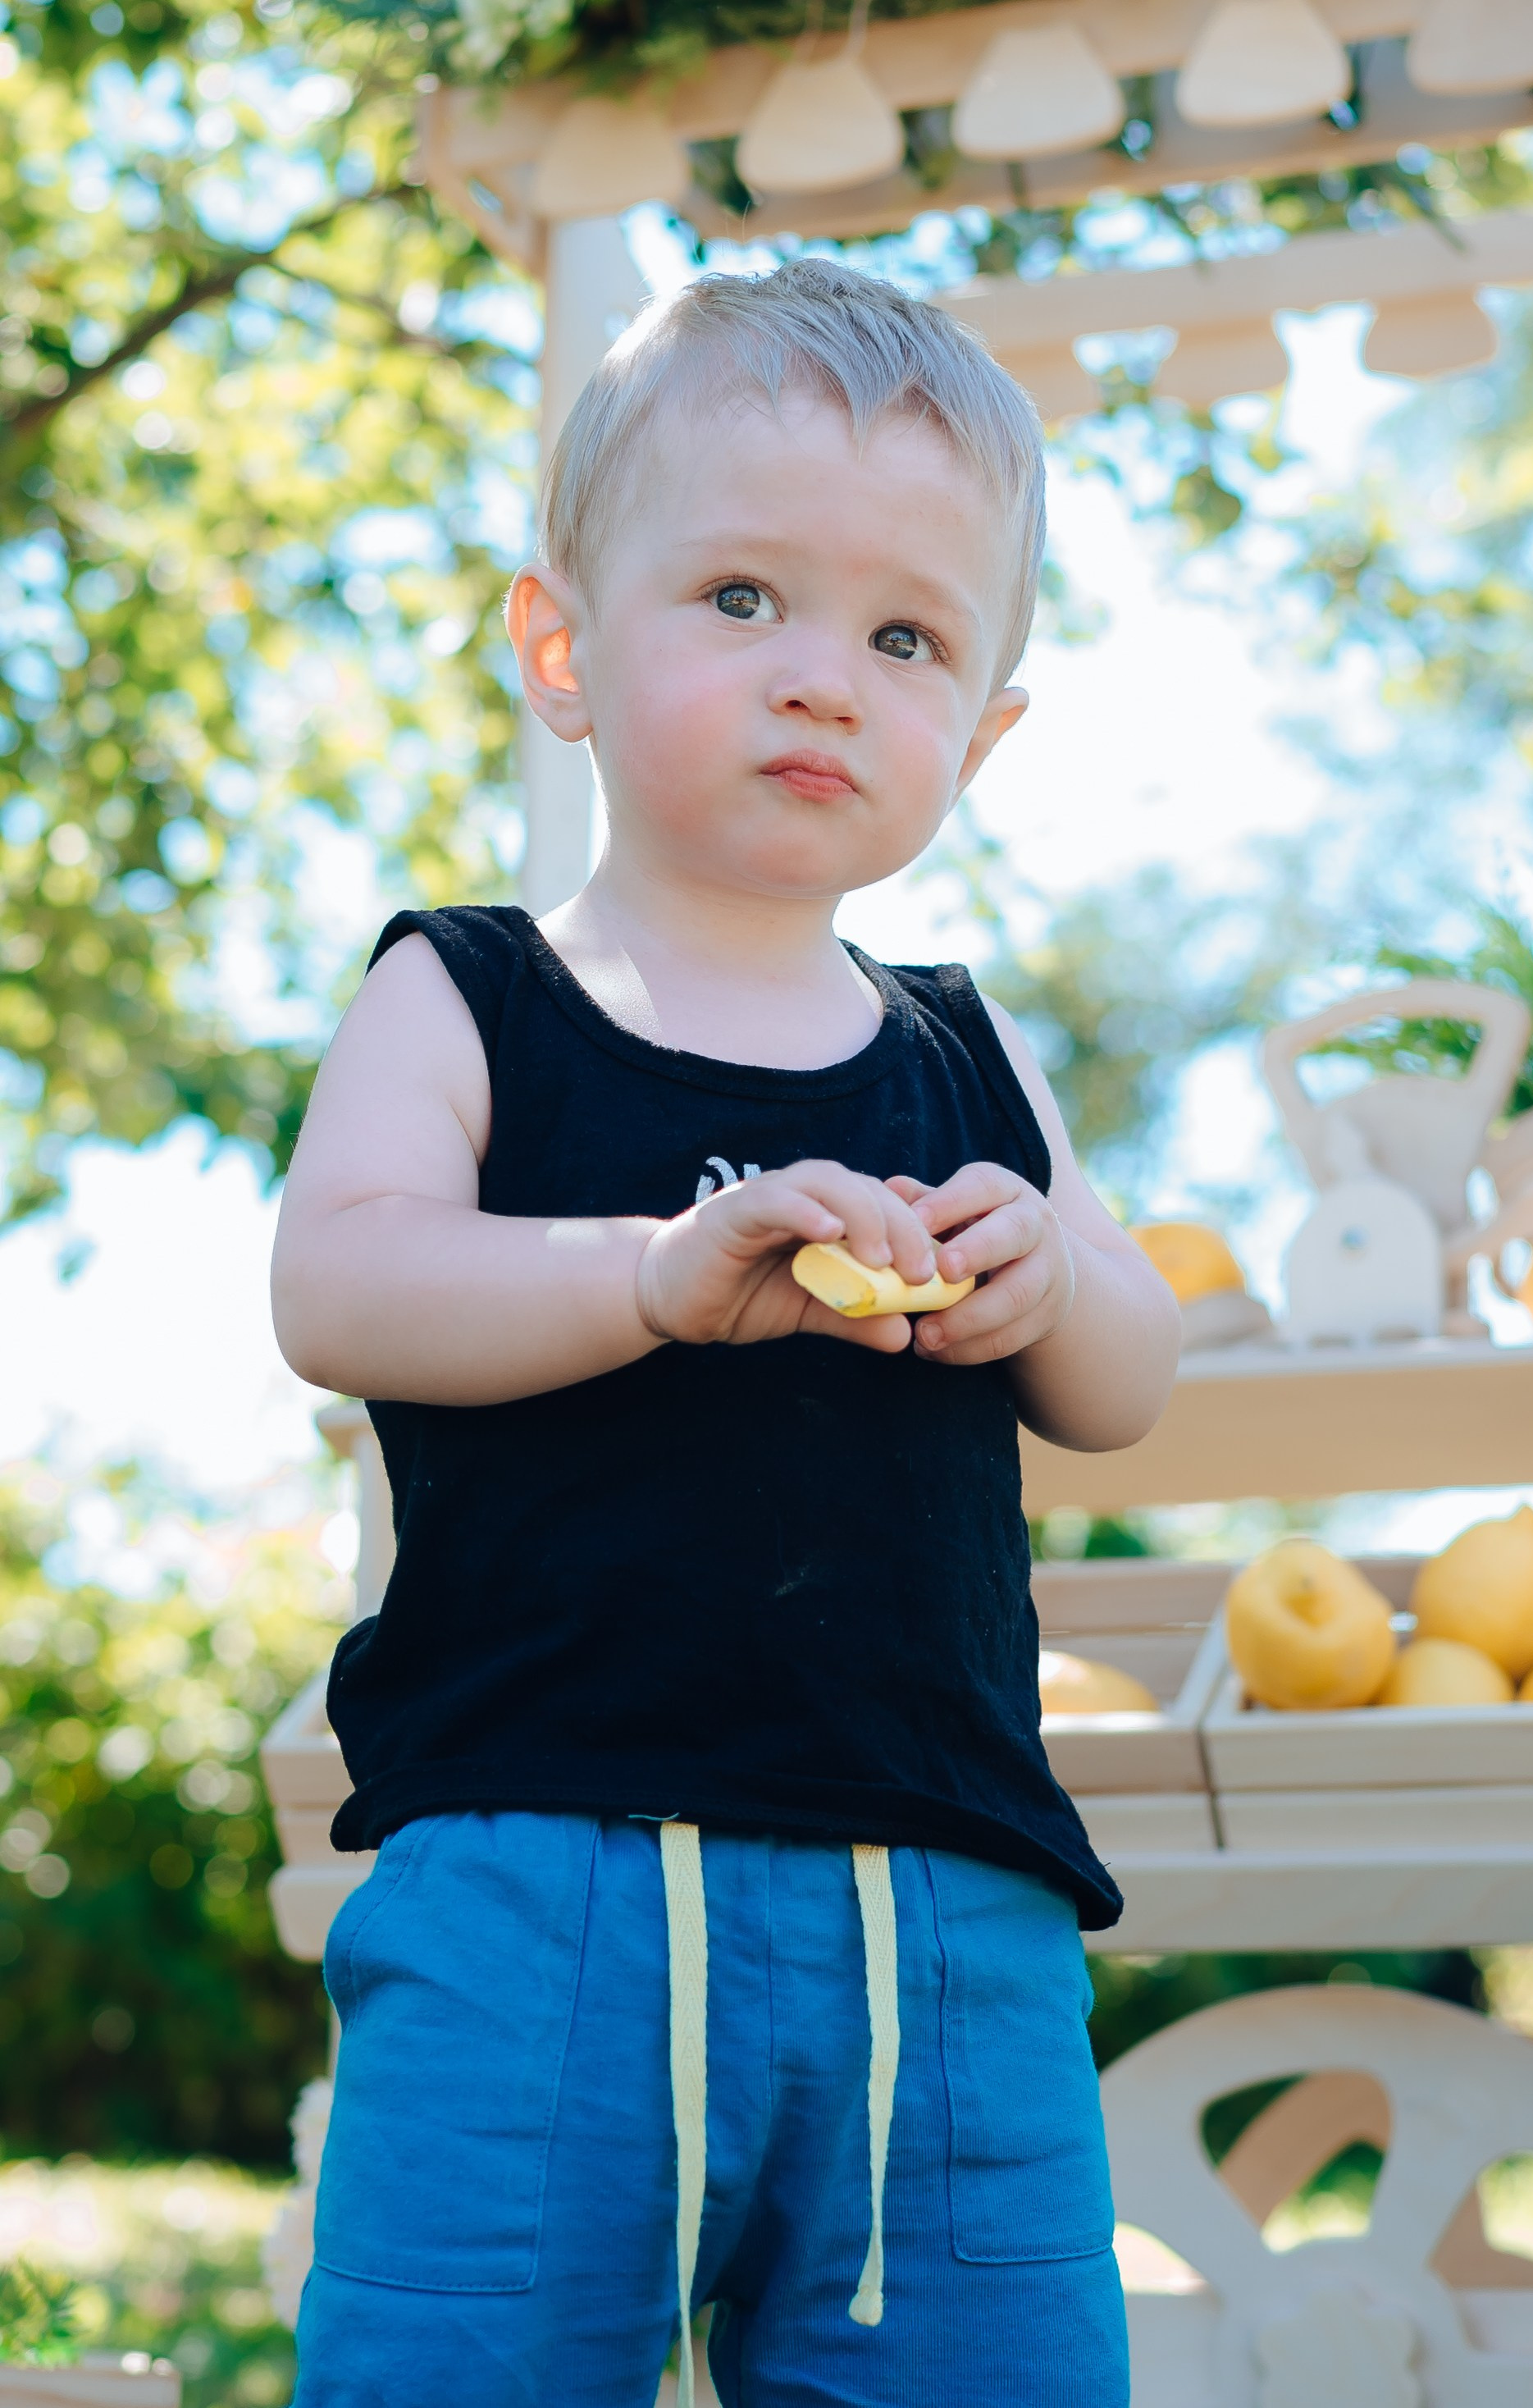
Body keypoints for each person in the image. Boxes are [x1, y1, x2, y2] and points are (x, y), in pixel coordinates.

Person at [271, 258, 1181, 2408]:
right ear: (564, 648)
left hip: (945, 1909)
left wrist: (1056, 1271)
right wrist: (652, 1277)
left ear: (986, 726)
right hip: (539, 1882)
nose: (825, 683)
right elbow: (342, 1285)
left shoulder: (971, 1057)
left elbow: (1127, 1383)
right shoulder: (471, 993)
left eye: (905, 638)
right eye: (745, 598)